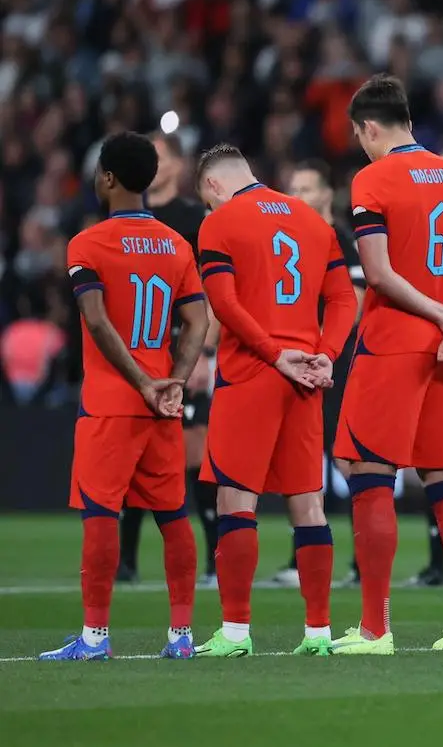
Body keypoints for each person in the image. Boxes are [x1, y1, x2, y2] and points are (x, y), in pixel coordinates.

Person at [330, 75, 443, 655]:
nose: (361, 145)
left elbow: (377, 275)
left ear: (371, 128)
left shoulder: (372, 179)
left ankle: (375, 629)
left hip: (393, 344)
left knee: (372, 478)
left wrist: (439, 312)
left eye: (360, 135)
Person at [41, 131, 206, 660]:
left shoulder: (88, 244)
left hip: (114, 401)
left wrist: (140, 383)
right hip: (162, 403)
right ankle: (180, 637)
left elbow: (94, 319)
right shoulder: (177, 245)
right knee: (174, 515)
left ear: (107, 179)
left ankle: (94, 638)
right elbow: (198, 320)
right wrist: (173, 380)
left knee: (100, 512)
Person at [192, 144, 357, 657]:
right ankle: (319, 633)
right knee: (308, 505)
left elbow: (224, 303)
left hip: (253, 373)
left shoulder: (220, 224)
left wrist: (272, 353)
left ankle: (236, 632)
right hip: (307, 377)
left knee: (234, 501)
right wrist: (326, 354)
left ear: (215, 186)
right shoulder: (312, 221)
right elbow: (345, 298)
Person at [117, 132, 219, 586]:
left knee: (193, 459)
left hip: (182, 353)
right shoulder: (125, 219)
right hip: (137, 357)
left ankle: (215, 559)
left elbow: (211, 293)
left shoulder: (194, 221)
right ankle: (126, 562)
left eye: (161, 156)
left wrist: (204, 353)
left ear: (176, 167)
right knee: (132, 459)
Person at [274, 161, 367, 588]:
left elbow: (357, 303)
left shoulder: (345, 242)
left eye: (306, 187)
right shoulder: (295, 242)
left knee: (346, 461)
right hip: (301, 363)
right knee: (305, 460)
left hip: (339, 365)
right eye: (292, 188)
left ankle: (366, 560)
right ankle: (302, 558)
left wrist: (325, 351)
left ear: (327, 194)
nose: (297, 197)